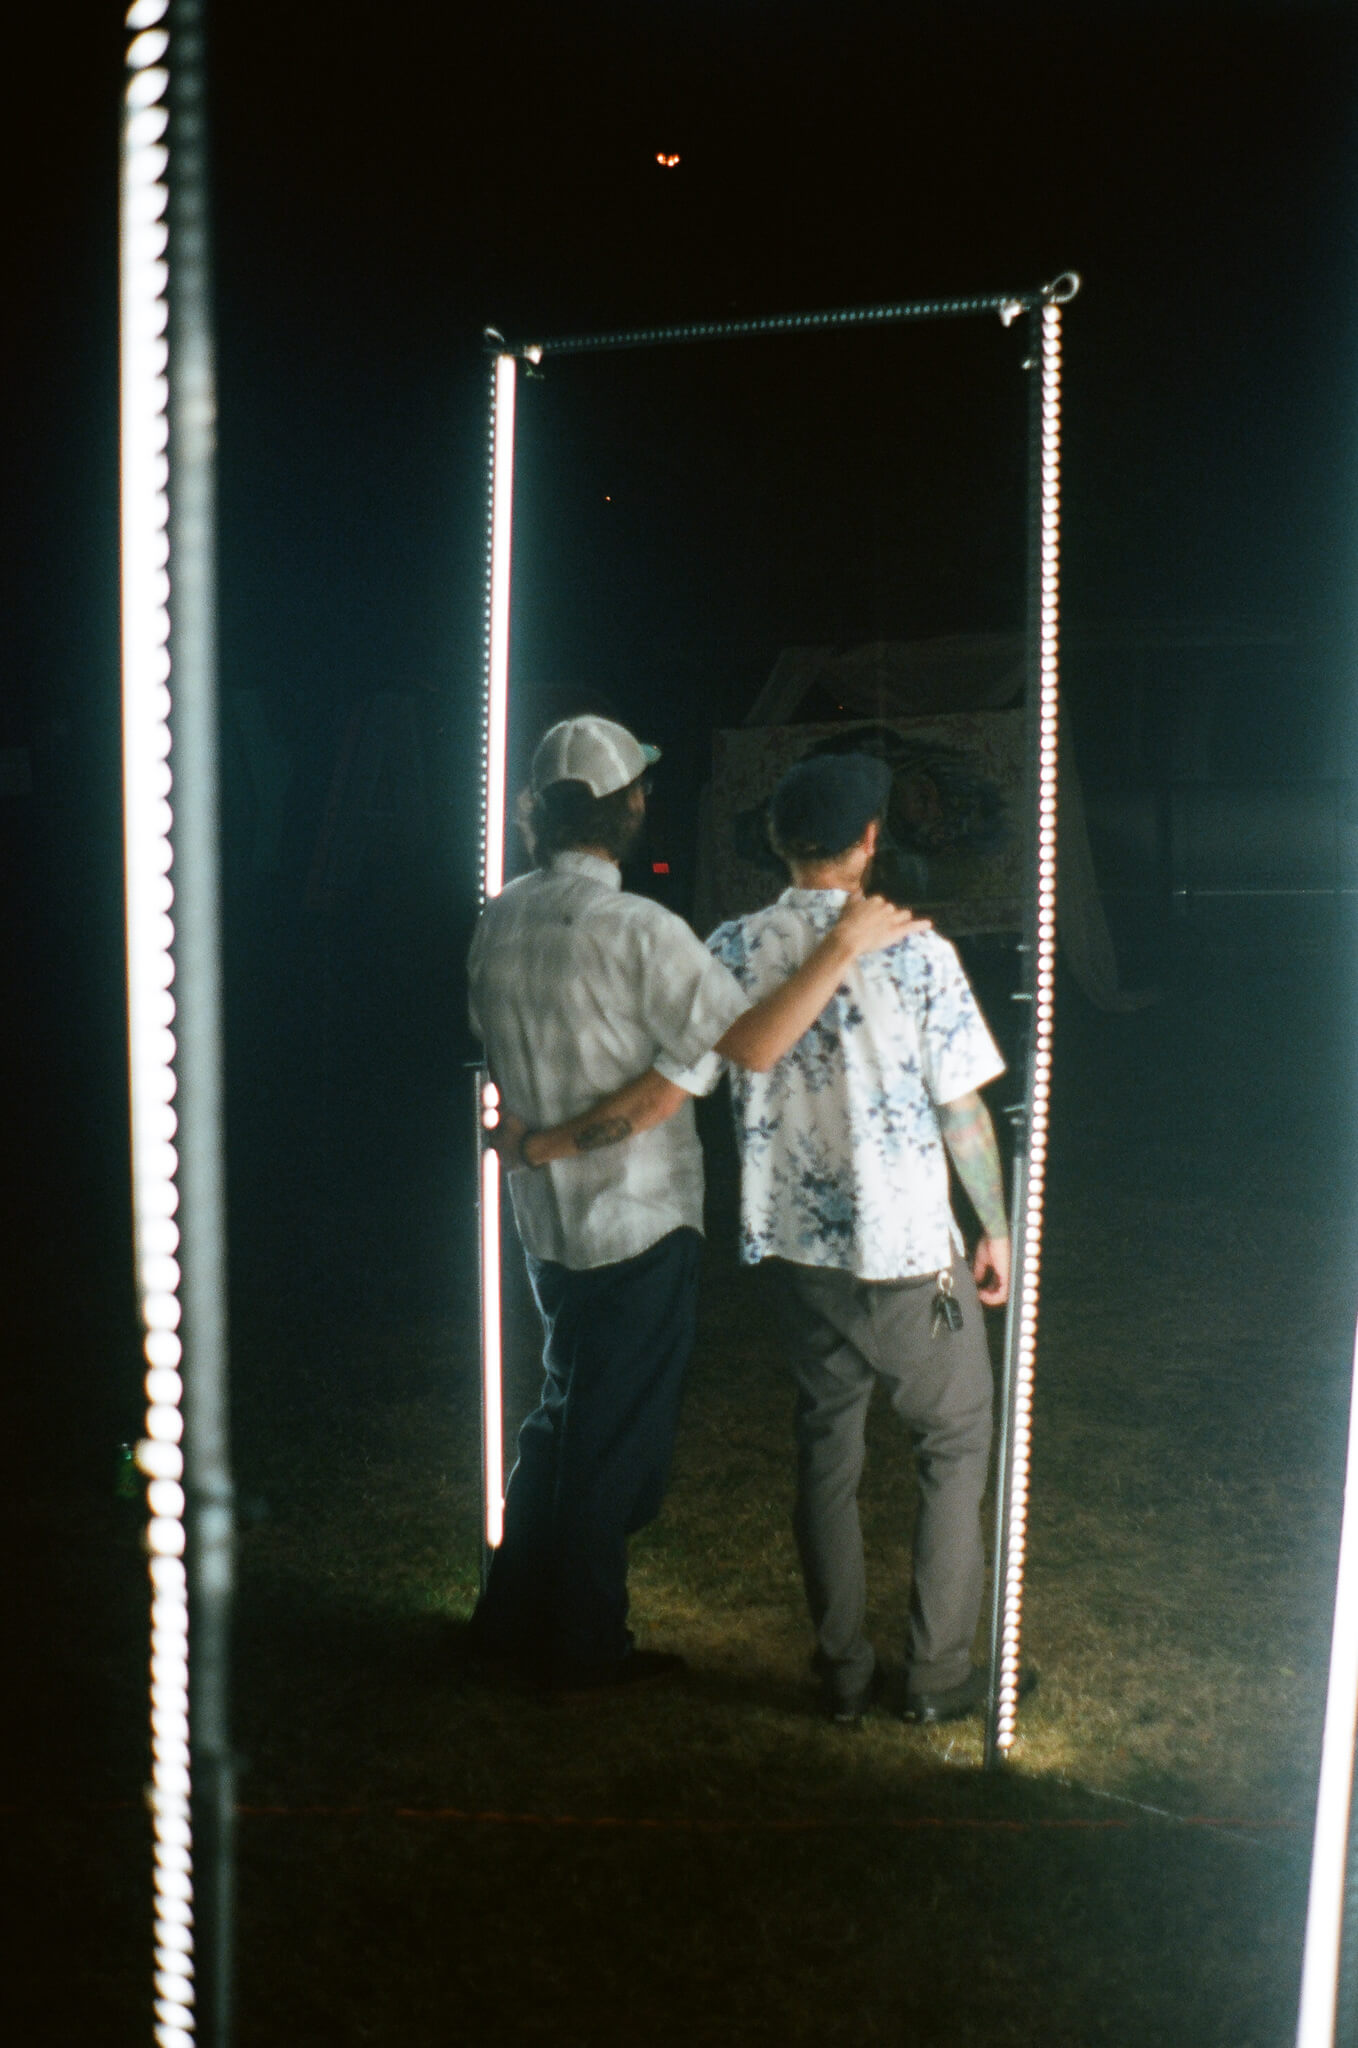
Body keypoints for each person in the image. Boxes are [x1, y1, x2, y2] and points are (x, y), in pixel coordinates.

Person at [512, 752, 1013, 1726]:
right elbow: (960, 1110)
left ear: (781, 843)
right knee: (953, 1440)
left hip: (796, 1250)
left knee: (827, 1445)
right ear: (868, 840)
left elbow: (681, 1083)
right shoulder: (913, 952)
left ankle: (842, 1671)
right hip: (909, 1245)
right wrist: (990, 1223)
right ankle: (937, 1671)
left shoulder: (730, 947)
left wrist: (542, 1140)